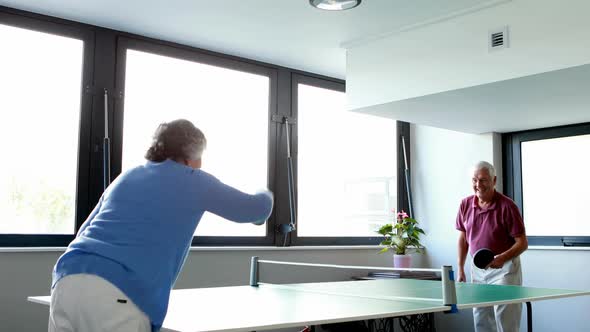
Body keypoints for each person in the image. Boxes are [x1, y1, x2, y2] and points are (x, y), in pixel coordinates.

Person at [49, 119, 273, 332]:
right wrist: (265, 191)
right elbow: (256, 209)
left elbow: (83, 231)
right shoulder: (194, 180)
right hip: (116, 293)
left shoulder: (126, 176)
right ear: (190, 156)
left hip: (67, 281)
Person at [456, 161, 528, 332]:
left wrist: (502, 258)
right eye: (474, 180)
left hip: (505, 268)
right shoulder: (465, 204)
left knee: (506, 320)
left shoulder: (508, 206)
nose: (478, 185)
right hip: (478, 269)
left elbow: (522, 243)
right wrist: (460, 268)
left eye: (483, 180)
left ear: (494, 180)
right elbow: (463, 238)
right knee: (481, 318)